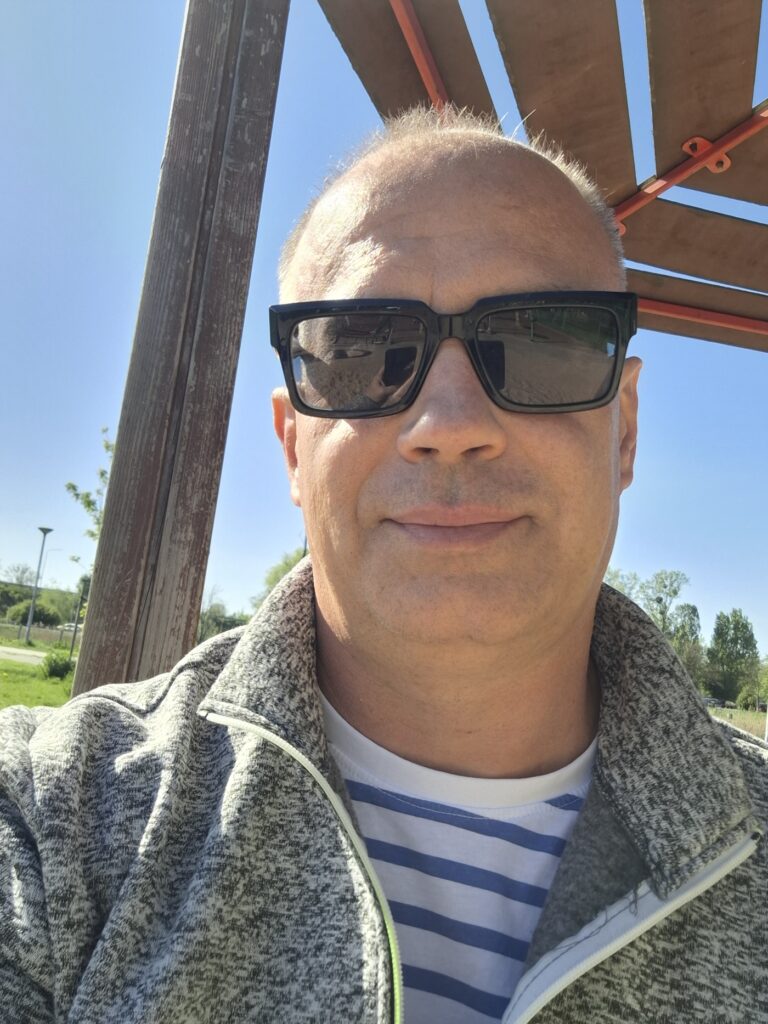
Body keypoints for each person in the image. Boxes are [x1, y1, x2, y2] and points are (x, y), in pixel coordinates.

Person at [1, 108, 765, 1024]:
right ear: (293, 448)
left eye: (539, 341)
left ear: (625, 432)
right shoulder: (51, 821)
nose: (450, 425)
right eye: (362, 352)